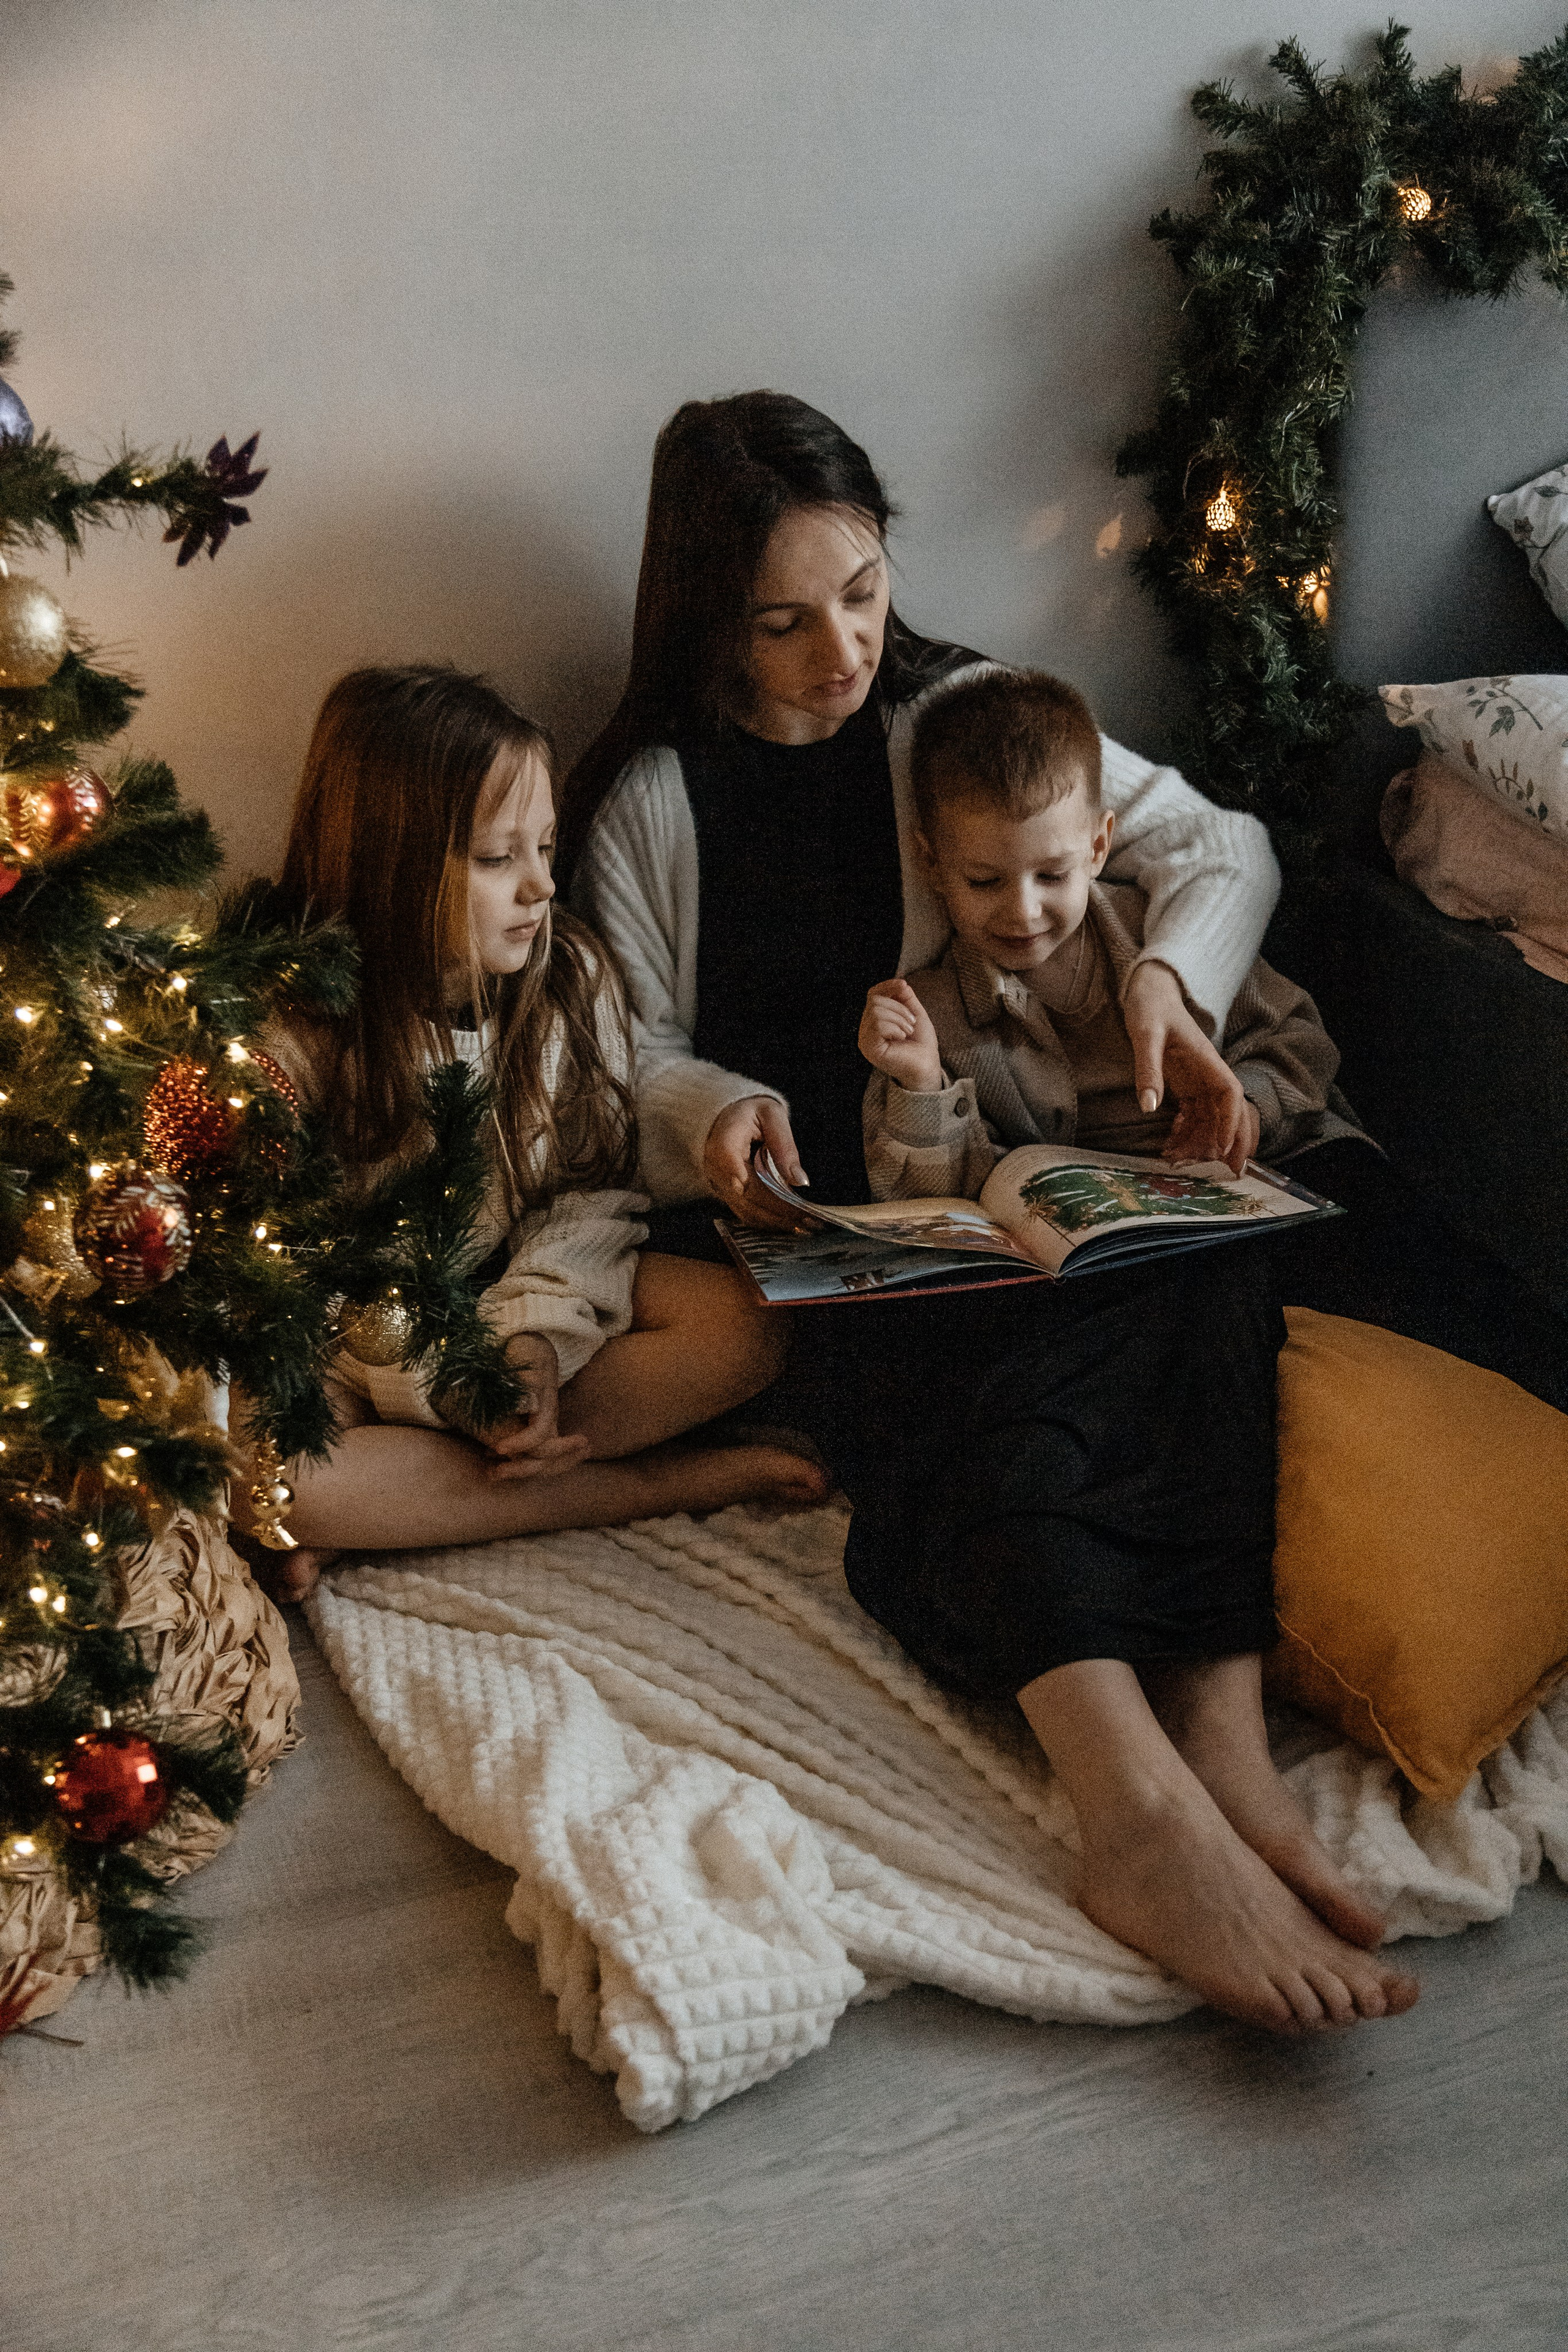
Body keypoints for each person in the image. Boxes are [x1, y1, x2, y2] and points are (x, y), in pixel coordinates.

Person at [564, 393, 1419, 2030]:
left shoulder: (953, 717)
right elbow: (632, 1055)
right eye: (787, 620)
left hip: (993, 1180)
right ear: (705, 618)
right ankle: (1136, 1812)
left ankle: (1223, 1736)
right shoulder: (657, 800)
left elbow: (1218, 847)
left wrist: (1166, 986)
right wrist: (716, 1113)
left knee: (1194, 1269)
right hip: (825, 1222)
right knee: (990, 1403)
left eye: (867, 593)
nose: (844, 653)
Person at [854, 662, 1417, 2034]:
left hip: (1204, 1243)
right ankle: (1149, 1814)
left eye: (1047, 876)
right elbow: (915, 1191)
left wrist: (1236, 1117)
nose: (1020, 912)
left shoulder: (1157, 943)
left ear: (1097, 845)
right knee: (1011, 1422)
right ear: (934, 865)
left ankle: (1218, 1748)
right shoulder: (929, 998)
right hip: (1052, 1284)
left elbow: (1298, 1060)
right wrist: (923, 1095)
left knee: (1204, 1305)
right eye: (983, 884)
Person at [239, 665, 827, 1601]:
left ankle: (416, 1505)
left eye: (546, 848)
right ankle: (643, 1488)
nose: (541, 886)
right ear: (389, 860)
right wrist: (451, 1387)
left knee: (748, 1327)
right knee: (276, 1482)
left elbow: (591, 1197)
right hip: (368, 1341)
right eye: (497, 858)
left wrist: (531, 1347)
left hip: (526, 1301)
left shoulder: (569, 984)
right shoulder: (293, 1037)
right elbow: (302, 1285)